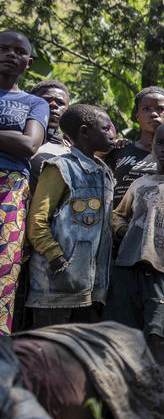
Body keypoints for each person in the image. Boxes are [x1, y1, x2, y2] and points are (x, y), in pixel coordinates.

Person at [106, 122, 164, 365]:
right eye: (160, 143)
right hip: (127, 264)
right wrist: (122, 229)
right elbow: (117, 214)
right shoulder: (140, 183)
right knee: (123, 333)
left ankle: (163, 396)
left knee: (157, 334)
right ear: (152, 146)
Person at [25, 104, 115, 328]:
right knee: (47, 352)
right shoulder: (59, 168)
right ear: (84, 132)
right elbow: (37, 221)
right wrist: (57, 258)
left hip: (89, 289)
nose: (112, 133)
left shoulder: (104, 171)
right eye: (105, 129)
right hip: (54, 286)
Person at [0, 31, 49, 334]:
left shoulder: (35, 103)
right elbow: (17, 141)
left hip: (11, 191)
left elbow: (29, 146)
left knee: (3, 272)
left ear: (29, 62)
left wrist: (18, 142)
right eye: (3, 48)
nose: (10, 54)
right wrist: (11, 138)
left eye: (18, 51)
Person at [107, 86, 164, 205]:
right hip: (120, 222)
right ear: (137, 116)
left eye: (161, 109)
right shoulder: (120, 150)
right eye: (146, 109)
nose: (153, 114)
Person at [28, 79, 71, 188]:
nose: (53, 105)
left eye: (60, 103)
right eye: (46, 100)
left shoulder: (71, 151)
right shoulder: (15, 138)